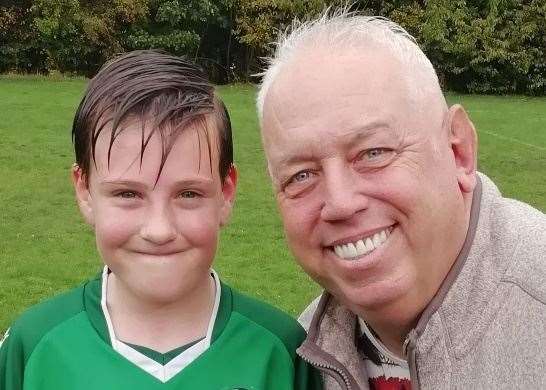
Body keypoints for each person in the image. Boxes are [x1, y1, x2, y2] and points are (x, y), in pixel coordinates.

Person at [256, 9, 546, 390]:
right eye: (302, 176)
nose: (341, 203)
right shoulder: (293, 364)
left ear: (458, 150)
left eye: (373, 152)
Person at [0, 50, 321, 390]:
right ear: (84, 192)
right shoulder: (33, 347)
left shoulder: (284, 352)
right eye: (127, 194)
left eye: (188, 195)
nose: (159, 230)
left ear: (225, 193)